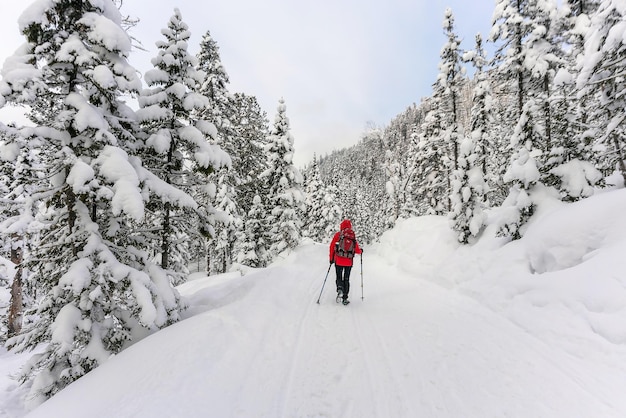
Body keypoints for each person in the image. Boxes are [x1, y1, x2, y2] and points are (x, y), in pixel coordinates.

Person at [329, 219, 362, 305]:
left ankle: (340, 288)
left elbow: (332, 246)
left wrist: (331, 258)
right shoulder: (352, 236)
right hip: (349, 262)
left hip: (338, 260)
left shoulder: (338, 235)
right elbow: (357, 249)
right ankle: (345, 298)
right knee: (346, 279)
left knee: (339, 276)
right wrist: (361, 251)